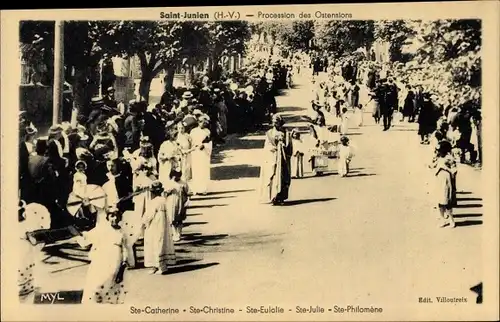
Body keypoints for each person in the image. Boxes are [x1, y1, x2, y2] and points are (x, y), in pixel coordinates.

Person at [80, 206, 129, 304]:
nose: (114, 218)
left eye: (116, 216)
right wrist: (79, 233)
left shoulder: (123, 232)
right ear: (107, 217)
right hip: (103, 258)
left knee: (113, 281)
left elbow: (125, 248)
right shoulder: (102, 229)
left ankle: (111, 304)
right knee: (99, 281)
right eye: (112, 216)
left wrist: (123, 264)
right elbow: (88, 236)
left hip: (116, 259)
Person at [142, 181, 176, 275]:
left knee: (154, 243)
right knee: (161, 242)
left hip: (154, 225)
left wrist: (143, 222)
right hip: (163, 225)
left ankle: (159, 266)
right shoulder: (164, 200)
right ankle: (161, 265)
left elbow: (149, 215)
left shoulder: (153, 202)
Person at [258, 114, 293, 205]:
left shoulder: (285, 132)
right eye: (273, 122)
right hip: (272, 157)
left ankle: (280, 196)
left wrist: (283, 146)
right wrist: (272, 149)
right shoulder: (269, 133)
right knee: (271, 175)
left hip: (283, 158)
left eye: (276, 122)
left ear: (280, 123)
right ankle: (272, 196)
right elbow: (267, 146)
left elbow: (289, 145)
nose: (275, 124)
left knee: (282, 176)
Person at [429, 141, 456, 228]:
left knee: (446, 200)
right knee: (439, 200)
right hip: (438, 180)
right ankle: (442, 219)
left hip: (446, 180)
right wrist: (433, 163)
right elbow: (432, 166)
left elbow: (454, 170)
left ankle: (451, 219)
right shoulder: (438, 157)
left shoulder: (449, 158)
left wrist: (446, 168)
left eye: (439, 150)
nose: (437, 151)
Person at [164, 170, 189, 242]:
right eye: (175, 175)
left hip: (181, 201)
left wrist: (188, 201)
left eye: (178, 175)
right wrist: (168, 191)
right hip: (171, 202)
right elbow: (164, 193)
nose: (176, 177)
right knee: (173, 218)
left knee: (180, 218)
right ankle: (175, 234)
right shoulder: (169, 183)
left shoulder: (183, 183)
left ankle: (179, 233)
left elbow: (187, 192)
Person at [189, 117, 212, 195]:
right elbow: (191, 141)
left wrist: (205, 146)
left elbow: (209, 142)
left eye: (204, 122)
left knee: (203, 169)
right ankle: (196, 189)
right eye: (201, 122)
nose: (203, 124)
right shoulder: (193, 131)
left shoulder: (207, 131)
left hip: (203, 153)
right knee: (196, 170)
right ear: (198, 122)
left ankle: (203, 189)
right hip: (195, 152)